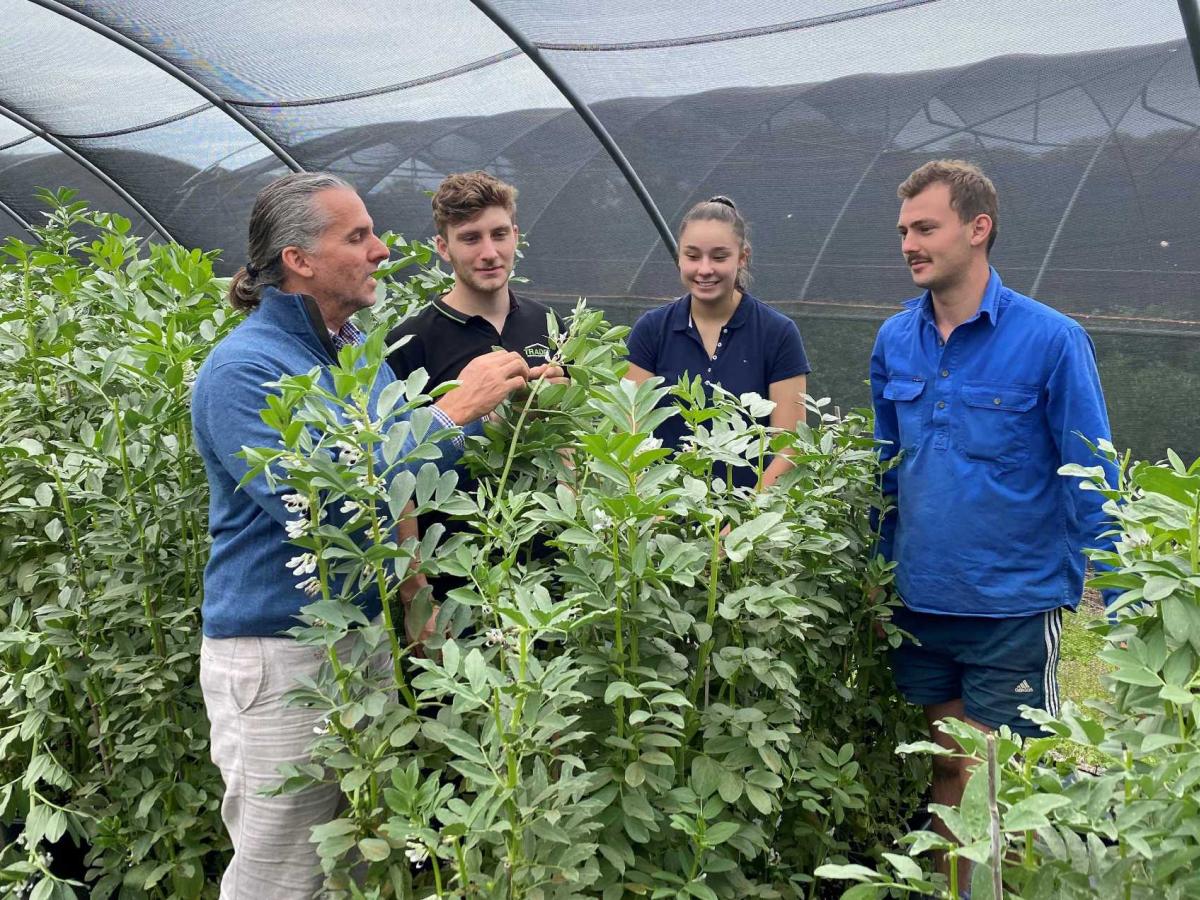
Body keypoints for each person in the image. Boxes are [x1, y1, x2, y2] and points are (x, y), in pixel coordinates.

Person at [191, 172, 536, 898]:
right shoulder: (244, 370)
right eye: (357, 237)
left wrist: (507, 417)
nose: (382, 250)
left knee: (350, 868)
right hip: (281, 656)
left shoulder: (352, 352)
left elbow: (403, 484)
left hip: (360, 635)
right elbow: (322, 504)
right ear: (299, 260)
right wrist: (451, 412)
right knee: (281, 878)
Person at [870, 159, 1117, 888]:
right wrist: (879, 586)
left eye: (926, 227)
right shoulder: (894, 341)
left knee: (990, 784)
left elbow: (1089, 475)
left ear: (978, 229)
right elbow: (888, 476)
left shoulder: (1051, 339)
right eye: (904, 231)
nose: (910, 244)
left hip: (1010, 604)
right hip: (921, 601)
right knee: (949, 768)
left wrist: (1133, 604)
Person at [384, 171, 566, 604]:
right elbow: (394, 482)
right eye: (470, 238)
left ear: (515, 235)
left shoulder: (554, 325)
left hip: (546, 573)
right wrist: (416, 599)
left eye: (499, 234)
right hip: (453, 578)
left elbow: (569, 448)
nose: (489, 252)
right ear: (442, 248)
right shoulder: (409, 343)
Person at [625, 195, 810, 489]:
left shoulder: (777, 333)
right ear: (679, 258)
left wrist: (745, 520)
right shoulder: (652, 330)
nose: (705, 269)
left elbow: (790, 448)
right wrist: (655, 509)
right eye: (693, 256)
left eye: (720, 257)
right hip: (664, 518)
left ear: (742, 257)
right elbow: (631, 434)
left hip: (752, 521)